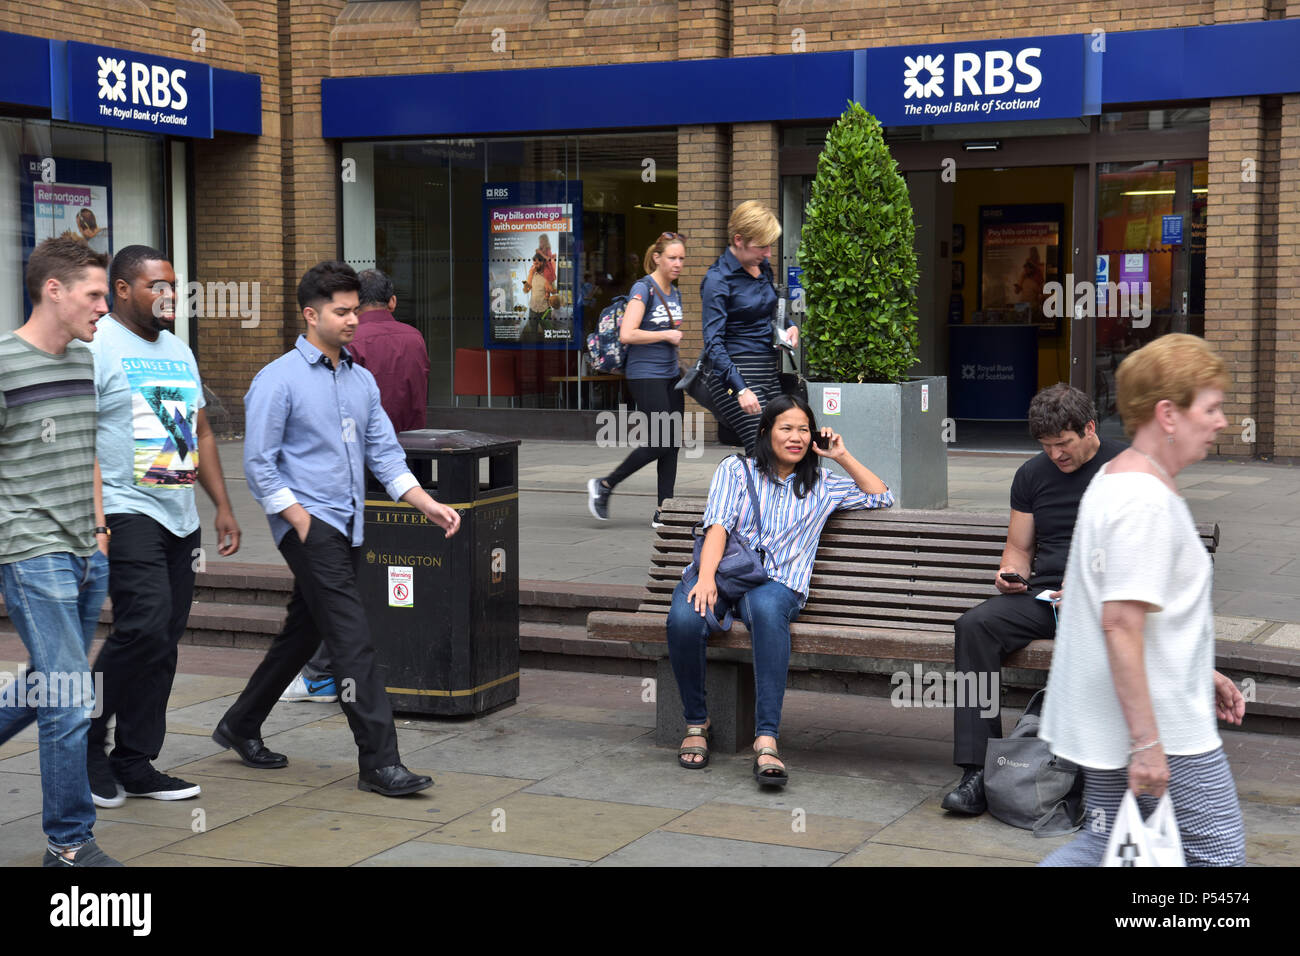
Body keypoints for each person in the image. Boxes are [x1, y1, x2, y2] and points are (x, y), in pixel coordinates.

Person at [213, 261, 462, 797]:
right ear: (311, 314)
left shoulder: (361, 379)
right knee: (354, 641)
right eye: (341, 311)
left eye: (355, 309)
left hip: (349, 524)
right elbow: (259, 463)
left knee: (303, 632)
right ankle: (379, 761)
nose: (353, 320)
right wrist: (297, 516)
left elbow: (386, 456)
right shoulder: (276, 380)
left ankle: (240, 723)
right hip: (309, 526)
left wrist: (426, 504)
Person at [1040, 335, 1246, 866]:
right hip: (1162, 727)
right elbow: (1120, 626)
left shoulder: (1121, 478)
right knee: (1216, 856)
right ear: (1168, 414)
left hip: (1123, 715)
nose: (1223, 421)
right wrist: (1148, 744)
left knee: (1109, 846)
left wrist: (1203, 673)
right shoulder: (1143, 500)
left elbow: (1143, 619)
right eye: (1212, 407)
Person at [665, 394, 892, 785]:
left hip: (780, 584)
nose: (796, 437)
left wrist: (841, 455)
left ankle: (766, 738)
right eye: (786, 428)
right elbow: (717, 525)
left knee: (768, 613)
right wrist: (704, 579)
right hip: (723, 577)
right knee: (685, 619)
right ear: (766, 431)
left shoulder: (823, 485)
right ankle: (696, 723)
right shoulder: (737, 471)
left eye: (804, 429)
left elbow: (881, 495)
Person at [85, 245, 242, 807]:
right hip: (128, 511)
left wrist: (221, 505)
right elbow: (83, 440)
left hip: (178, 511)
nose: (169, 294)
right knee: (142, 627)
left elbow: (198, 433)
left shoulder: (178, 350)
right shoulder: (98, 344)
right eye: (157, 285)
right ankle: (87, 742)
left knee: (164, 641)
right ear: (123, 289)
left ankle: (135, 760)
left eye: (172, 284)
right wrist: (97, 517)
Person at [942, 384, 1125, 815]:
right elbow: (1020, 548)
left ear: (1090, 428)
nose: (1056, 455)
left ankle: (1093, 775)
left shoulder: (1127, 468)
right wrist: (1011, 575)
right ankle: (977, 773)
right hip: (1047, 597)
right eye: (1047, 446)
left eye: (1063, 444)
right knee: (975, 626)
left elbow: (1145, 549)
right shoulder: (1031, 474)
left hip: (1109, 599)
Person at [0, 237, 120, 866]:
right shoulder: (2, 364)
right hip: (29, 550)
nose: (104, 307)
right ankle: (69, 845)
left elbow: (88, 451)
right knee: (72, 697)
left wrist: (99, 532)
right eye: (95, 295)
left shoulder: (81, 361)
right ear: (54, 290)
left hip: (83, 548)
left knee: (47, 685)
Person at [279, 267, 429, 703]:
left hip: (349, 471)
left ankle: (322, 672)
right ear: (394, 301)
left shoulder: (351, 346)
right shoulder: (415, 337)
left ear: (359, 305)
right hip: (406, 464)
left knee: (340, 577)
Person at [587, 232, 686, 529]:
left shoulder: (674, 292)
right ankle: (604, 485)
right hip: (645, 375)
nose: (678, 263)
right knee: (660, 441)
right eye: (672, 258)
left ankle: (663, 510)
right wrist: (665, 335)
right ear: (657, 258)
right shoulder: (643, 289)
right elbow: (627, 333)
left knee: (672, 444)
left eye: (682, 258)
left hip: (670, 375)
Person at [700, 200, 798, 455]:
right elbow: (713, 343)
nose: (767, 253)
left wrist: (789, 326)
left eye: (770, 245)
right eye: (762, 246)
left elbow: (773, 307)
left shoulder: (762, 267)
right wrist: (740, 388)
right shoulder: (718, 279)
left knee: (785, 449)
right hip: (737, 373)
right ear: (739, 239)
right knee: (765, 450)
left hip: (768, 369)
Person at [522, 253, 555, 341]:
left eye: (536, 263)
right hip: (533, 309)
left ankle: (548, 352)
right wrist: (529, 276)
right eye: (534, 263)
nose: (534, 265)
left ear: (542, 263)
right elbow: (526, 291)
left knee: (548, 335)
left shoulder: (548, 275)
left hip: (545, 310)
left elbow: (553, 290)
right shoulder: (531, 274)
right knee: (533, 335)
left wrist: (549, 290)